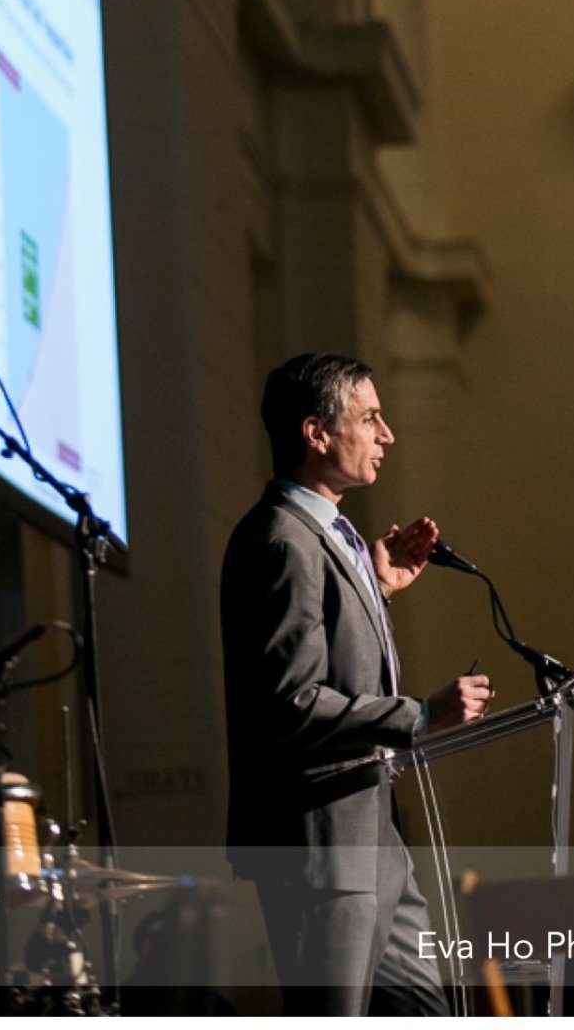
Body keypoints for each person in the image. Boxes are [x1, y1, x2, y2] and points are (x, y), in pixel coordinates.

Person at [221, 352, 491, 1015]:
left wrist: (379, 592)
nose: (387, 434)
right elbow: (290, 704)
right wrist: (419, 716)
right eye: (370, 417)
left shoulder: (331, 535)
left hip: (374, 839)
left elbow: (328, 660)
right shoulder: (281, 540)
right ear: (316, 434)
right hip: (319, 846)